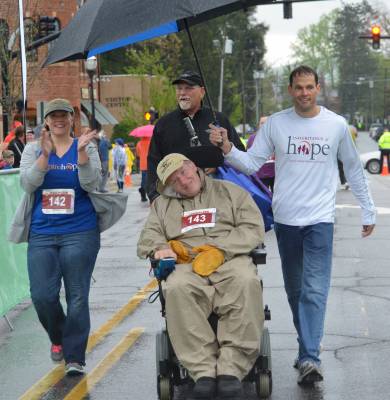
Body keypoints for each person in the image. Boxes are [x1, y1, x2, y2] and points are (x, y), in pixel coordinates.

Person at [209, 65, 376, 385]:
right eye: (298, 88)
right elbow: (252, 164)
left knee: (314, 290)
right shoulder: (276, 124)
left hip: (320, 220)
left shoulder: (336, 125)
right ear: (290, 90)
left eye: (309, 87)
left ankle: (311, 357)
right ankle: (306, 351)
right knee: (296, 291)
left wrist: (368, 209)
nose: (304, 93)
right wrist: (227, 147)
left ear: (318, 88)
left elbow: (353, 169)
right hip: (287, 220)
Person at [137, 153, 264, 400]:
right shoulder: (163, 205)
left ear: (194, 166)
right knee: (176, 287)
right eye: (175, 180)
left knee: (246, 281)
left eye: (184, 172)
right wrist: (161, 248)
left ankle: (231, 369)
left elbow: (253, 228)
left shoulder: (230, 192)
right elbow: (148, 238)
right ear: (169, 187)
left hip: (229, 257)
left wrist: (221, 249)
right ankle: (203, 371)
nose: (183, 181)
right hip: (187, 263)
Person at [8, 98, 102, 376]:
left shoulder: (86, 146)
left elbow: (92, 183)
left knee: (77, 296)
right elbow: (27, 183)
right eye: (53, 116)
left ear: (72, 119)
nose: (59, 120)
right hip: (43, 233)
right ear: (46, 121)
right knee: (42, 295)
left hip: (80, 231)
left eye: (64, 115)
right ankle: (59, 337)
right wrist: (45, 157)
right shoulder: (34, 149)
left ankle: (74, 357)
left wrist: (83, 155)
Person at [146, 70, 245, 202]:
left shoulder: (218, 119)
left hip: (217, 195)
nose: (182, 93)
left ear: (202, 92)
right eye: (179, 88)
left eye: (188, 88)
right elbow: (154, 162)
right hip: (178, 197)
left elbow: (241, 155)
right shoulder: (164, 124)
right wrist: (154, 196)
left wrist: (219, 164)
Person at [247, 116, 275, 192]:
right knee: (264, 196)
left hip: (275, 173)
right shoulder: (252, 138)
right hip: (260, 174)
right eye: (262, 123)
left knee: (276, 197)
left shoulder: (276, 137)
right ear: (259, 125)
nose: (264, 125)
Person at [135, 136, 151, 201]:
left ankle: (143, 195)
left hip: (143, 164)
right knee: (152, 179)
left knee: (144, 180)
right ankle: (151, 194)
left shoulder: (139, 143)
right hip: (151, 163)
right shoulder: (151, 142)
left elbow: (138, 154)